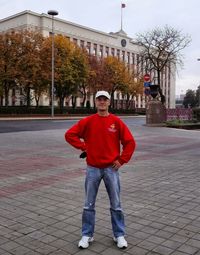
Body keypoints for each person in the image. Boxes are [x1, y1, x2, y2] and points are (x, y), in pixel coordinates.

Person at [65, 90, 136, 249]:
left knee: (116, 204)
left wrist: (122, 160)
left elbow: (130, 142)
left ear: (109, 102)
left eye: (105, 100)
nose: (102, 102)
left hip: (111, 169)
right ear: (96, 102)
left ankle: (119, 234)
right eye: (99, 100)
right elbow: (70, 135)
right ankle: (87, 235)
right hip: (93, 169)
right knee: (88, 204)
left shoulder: (116, 122)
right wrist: (84, 146)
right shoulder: (88, 121)